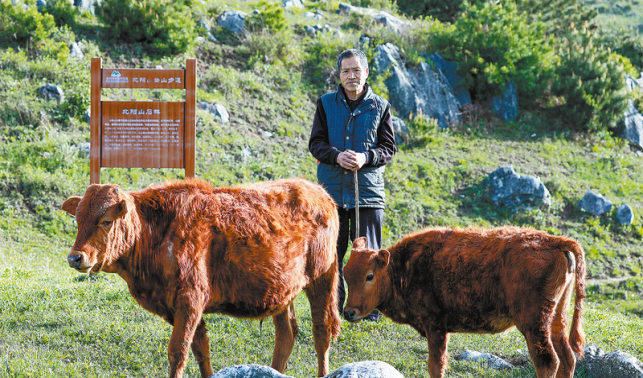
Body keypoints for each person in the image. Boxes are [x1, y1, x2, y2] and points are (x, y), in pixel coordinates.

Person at [308, 49, 397, 321]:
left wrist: (365, 157)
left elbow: (388, 148)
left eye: (356, 70)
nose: (351, 76)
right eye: (346, 71)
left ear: (366, 72)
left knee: (368, 261)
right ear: (339, 75)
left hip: (367, 195)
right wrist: (336, 155)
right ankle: (330, 311)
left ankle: (368, 312)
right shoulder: (325, 104)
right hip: (331, 195)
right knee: (330, 257)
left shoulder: (381, 106)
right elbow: (316, 144)